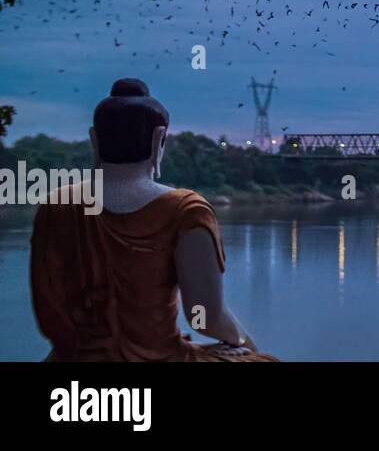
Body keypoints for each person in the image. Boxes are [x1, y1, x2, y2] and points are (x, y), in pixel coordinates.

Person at [29, 78, 276, 361]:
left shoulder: (57, 204)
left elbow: (49, 313)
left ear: (95, 139)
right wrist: (245, 344)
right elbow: (206, 317)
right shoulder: (185, 209)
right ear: (159, 139)